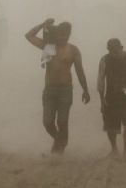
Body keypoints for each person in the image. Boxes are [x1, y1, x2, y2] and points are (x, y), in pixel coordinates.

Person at [25, 18, 91, 155]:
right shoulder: (48, 47)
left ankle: (59, 149)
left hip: (65, 90)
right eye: (61, 35)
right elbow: (29, 36)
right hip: (50, 90)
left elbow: (79, 71)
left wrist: (85, 89)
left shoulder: (73, 50)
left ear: (69, 35)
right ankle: (59, 140)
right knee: (47, 122)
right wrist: (43, 24)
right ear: (57, 34)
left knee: (62, 121)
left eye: (66, 35)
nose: (63, 38)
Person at [97, 38, 126, 158]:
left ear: (121, 48)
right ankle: (114, 149)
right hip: (111, 97)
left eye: (116, 51)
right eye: (112, 51)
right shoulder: (104, 60)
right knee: (110, 126)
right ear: (108, 50)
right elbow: (101, 82)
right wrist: (102, 101)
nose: (114, 54)